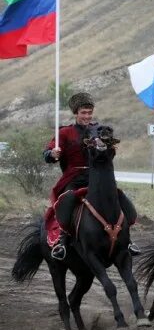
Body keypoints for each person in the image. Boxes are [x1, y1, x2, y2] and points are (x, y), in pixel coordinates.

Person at [44, 93, 140, 260]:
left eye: (89, 112)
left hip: (99, 177)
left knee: (120, 198)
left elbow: (110, 152)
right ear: (76, 113)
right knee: (66, 200)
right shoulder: (65, 133)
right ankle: (62, 242)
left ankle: (127, 240)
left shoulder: (100, 130)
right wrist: (53, 153)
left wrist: (108, 147)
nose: (87, 116)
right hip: (74, 178)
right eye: (83, 113)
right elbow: (47, 154)